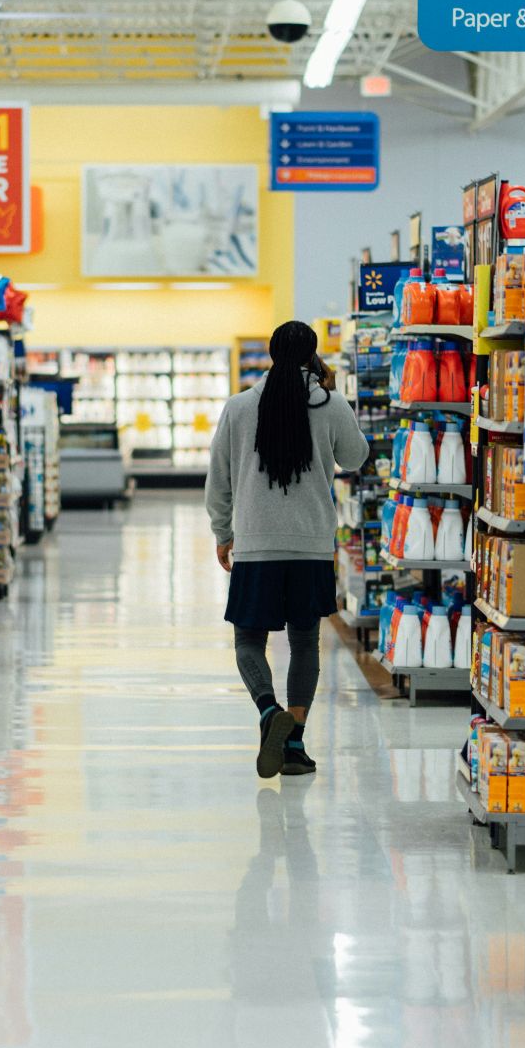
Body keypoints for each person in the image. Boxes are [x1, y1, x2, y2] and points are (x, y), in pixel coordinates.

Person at [206, 320, 369, 778]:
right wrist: (335, 399)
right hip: (311, 545)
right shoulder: (330, 403)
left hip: (256, 543)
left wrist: (223, 532)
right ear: (313, 356)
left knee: (248, 641)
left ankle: (267, 711)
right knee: (304, 641)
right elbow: (356, 457)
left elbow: (217, 480)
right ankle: (294, 743)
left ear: (272, 352)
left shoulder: (239, 408)